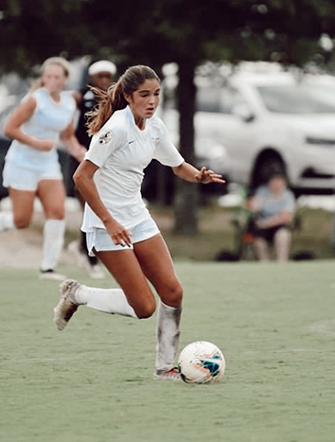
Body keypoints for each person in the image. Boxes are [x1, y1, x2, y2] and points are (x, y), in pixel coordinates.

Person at [51, 65, 225, 380]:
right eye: (144, 94)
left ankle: (164, 368)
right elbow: (82, 177)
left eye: (156, 94)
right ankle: (77, 293)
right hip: (106, 225)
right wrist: (109, 220)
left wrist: (197, 176)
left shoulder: (154, 127)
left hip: (138, 217)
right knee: (144, 307)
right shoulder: (116, 128)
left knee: (172, 291)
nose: (152, 100)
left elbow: (178, 165)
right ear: (129, 96)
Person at [0, 57, 87, 280]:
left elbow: (67, 136)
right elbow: (9, 128)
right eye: (48, 76)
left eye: (57, 77)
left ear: (64, 80)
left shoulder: (69, 103)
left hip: (48, 165)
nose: (52, 80)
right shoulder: (34, 100)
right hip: (21, 163)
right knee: (21, 220)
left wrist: (81, 153)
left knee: (57, 212)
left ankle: (47, 268)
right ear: (43, 79)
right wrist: (36, 143)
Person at [66, 60, 117, 279]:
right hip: (84, 160)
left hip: (107, 161)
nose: (104, 80)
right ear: (92, 78)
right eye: (100, 76)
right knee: (91, 208)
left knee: (102, 208)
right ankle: (90, 256)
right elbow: (67, 130)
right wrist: (77, 150)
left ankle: (85, 249)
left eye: (108, 76)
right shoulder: (79, 98)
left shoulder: (118, 99)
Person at [246, 174, 295, 262]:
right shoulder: (262, 192)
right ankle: (263, 263)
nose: (276, 184)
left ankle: (282, 262)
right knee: (258, 241)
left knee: (283, 235)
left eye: (278, 181)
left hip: (276, 225)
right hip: (261, 226)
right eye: (274, 181)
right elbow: (252, 206)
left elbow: (286, 217)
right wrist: (253, 205)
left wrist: (266, 223)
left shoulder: (287, 195)